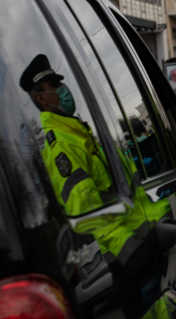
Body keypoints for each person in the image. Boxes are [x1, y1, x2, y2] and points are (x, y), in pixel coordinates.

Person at [19, 54, 113, 218]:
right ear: (41, 98)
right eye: (55, 85)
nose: (63, 87)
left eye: (60, 82)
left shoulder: (77, 134)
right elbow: (92, 218)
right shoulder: (63, 144)